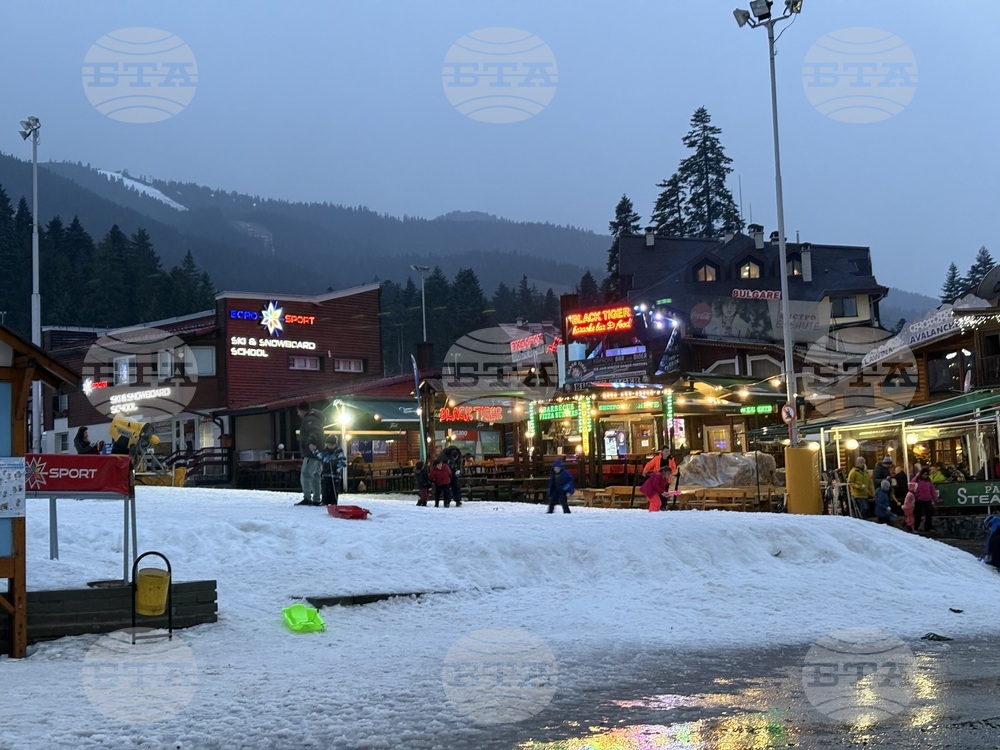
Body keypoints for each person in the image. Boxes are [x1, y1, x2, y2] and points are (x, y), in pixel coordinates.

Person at [295, 401, 325, 506]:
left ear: (301, 410)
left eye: (298, 411)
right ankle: (316, 498)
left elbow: (314, 431)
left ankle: (307, 497)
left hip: (311, 452)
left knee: (306, 474)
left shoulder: (309, 420)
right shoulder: (316, 418)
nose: (298, 414)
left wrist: (312, 442)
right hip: (319, 452)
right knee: (316, 475)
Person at [309, 437, 346, 506]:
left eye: (332, 445)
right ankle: (324, 501)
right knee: (325, 488)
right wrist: (314, 451)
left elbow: (342, 461)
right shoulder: (324, 451)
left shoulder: (339, 451)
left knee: (334, 488)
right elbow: (319, 456)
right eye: (328, 444)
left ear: (335, 444)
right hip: (326, 474)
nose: (330, 446)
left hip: (335, 475)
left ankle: (333, 502)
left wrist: (338, 467)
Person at [913, 466, 939, 533]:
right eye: (924, 474)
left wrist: (935, 499)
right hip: (919, 500)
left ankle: (928, 528)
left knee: (929, 514)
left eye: (926, 475)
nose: (925, 476)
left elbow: (932, 490)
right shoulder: (917, 479)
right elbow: (912, 487)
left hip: (927, 499)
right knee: (918, 515)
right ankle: (916, 527)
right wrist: (917, 496)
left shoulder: (929, 481)